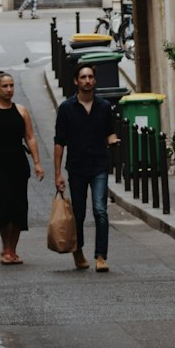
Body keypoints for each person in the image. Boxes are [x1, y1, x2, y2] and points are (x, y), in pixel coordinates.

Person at [53, 61, 120, 272]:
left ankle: (101, 256)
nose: (87, 81)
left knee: (100, 210)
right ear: (76, 81)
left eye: (90, 77)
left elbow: (109, 131)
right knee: (79, 213)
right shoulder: (66, 109)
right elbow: (59, 142)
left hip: (99, 164)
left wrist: (113, 140)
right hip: (77, 167)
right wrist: (58, 174)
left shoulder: (104, 107)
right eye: (83, 77)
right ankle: (78, 251)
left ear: (95, 80)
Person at [0, 71, 44, 264]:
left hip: (18, 164)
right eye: (5, 86)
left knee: (19, 207)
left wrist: (37, 163)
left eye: (11, 85)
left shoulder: (21, 111)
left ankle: (13, 249)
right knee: (6, 203)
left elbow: (30, 137)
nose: (9, 89)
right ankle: (6, 247)